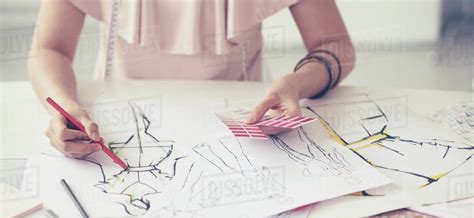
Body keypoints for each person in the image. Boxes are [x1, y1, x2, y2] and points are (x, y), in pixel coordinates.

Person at [28, 0, 355, 159]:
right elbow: (49, 49)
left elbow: (335, 44)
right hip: (117, 126)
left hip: (239, 131)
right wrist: (65, 108)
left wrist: (299, 81)